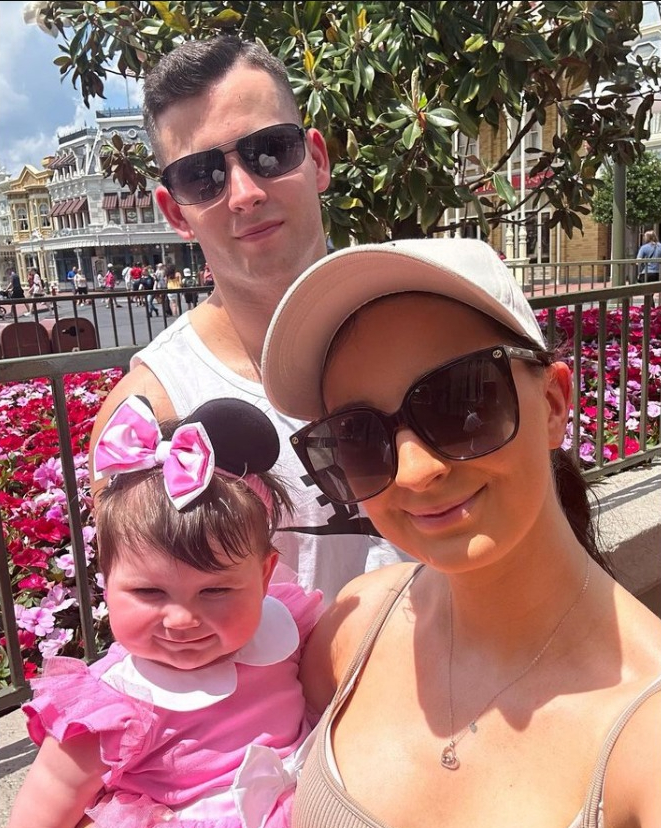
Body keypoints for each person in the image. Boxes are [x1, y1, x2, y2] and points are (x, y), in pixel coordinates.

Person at [261, 238, 661, 828]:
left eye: (462, 403)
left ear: (553, 402)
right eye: (358, 435)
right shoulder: (356, 625)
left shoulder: (642, 731)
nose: (418, 472)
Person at [87, 35, 408, 600]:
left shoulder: (423, 324)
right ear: (175, 212)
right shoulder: (152, 410)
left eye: (270, 151)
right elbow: (158, 631)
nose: (243, 193)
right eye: (201, 176)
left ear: (316, 159)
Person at [8, 394, 323, 828]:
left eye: (215, 591)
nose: (182, 619)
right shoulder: (113, 704)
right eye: (149, 592)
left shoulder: (285, 632)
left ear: (265, 577)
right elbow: (49, 803)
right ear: (106, 575)